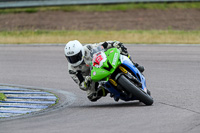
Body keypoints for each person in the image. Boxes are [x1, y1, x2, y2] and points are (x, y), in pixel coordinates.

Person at [64, 40, 144, 102]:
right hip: (92, 76)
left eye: (75, 57)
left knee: (119, 47)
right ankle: (107, 89)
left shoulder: (88, 49)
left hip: (101, 63)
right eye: (70, 58)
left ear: (81, 52)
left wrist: (113, 44)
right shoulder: (72, 70)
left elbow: (103, 45)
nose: (73, 60)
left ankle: (133, 64)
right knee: (92, 96)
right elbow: (81, 85)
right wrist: (86, 82)